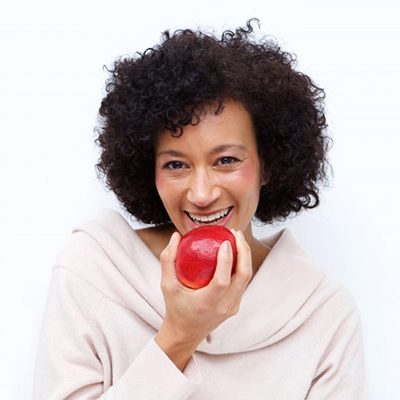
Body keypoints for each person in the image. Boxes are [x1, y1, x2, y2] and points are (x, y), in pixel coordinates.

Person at [33, 19, 368, 399]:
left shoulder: (324, 314)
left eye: (226, 160)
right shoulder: (94, 268)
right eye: (176, 165)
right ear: (149, 170)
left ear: (268, 164)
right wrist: (179, 335)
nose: (202, 193)